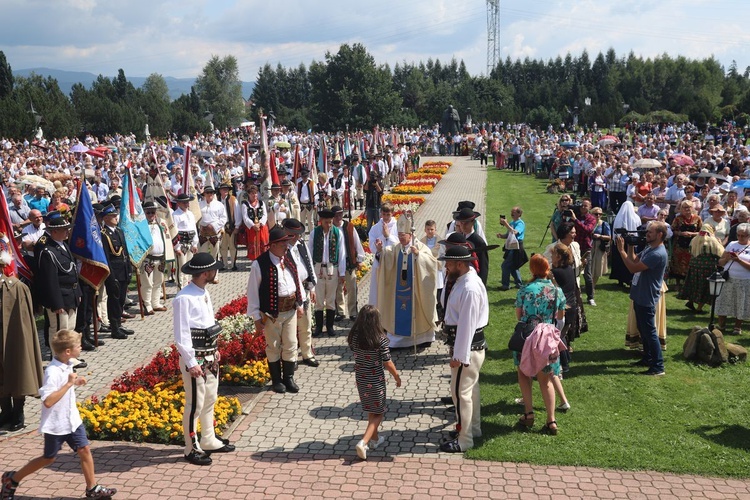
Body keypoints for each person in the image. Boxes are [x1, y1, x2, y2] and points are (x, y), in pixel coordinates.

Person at [0, 330, 117, 499]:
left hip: (72, 420)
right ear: (67, 351)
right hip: (57, 425)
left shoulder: (68, 362)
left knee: (84, 449)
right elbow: (47, 400)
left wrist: (75, 382)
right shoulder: (52, 372)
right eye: (78, 346)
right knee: (49, 458)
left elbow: (63, 386)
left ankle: (92, 488)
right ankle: (13, 479)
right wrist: (69, 384)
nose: (81, 347)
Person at [173, 253, 236, 466]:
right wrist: (191, 362)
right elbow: (181, 335)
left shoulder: (203, 292)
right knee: (195, 404)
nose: (215, 272)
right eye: (213, 269)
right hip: (196, 359)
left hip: (210, 354)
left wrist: (215, 348)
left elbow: (207, 323)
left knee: (210, 398)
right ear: (205, 273)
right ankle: (191, 447)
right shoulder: (184, 297)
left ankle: (208, 438)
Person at [437, 245, 488, 452]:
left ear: (460, 264)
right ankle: (472, 429)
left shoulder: (469, 287)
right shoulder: (465, 279)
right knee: (470, 392)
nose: (446, 266)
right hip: (469, 347)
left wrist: (459, 356)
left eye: (448, 262)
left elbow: (467, 324)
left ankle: (464, 439)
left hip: (467, 348)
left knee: (460, 394)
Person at [247, 227, 305, 394]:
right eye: (282, 243)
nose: (286, 246)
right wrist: (256, 317)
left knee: (291, 343)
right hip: (271, 313)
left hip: (290, 310)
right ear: (272, 245)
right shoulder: (259, 264)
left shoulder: (288, 258)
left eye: (287, 242)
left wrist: (300, 303)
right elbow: (252, 292)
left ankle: (288, 378)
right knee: (273, 346)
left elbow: (296, 280)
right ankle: (276, 380)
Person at [514, 254, 566, 435]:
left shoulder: (525, 289)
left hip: (528, 336)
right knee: (547, 379)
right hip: (548, 338)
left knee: (523, 372)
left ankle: (528, 413)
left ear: (532, 270)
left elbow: (519, 315)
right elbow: (560, 318)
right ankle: (551, 420)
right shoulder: (557, 291)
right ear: (547, 270)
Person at [375, 215, 438, 349]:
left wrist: (418, 256)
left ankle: (423, 339)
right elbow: (386, 255)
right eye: (399, 235)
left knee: (418, 313)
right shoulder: (395, 248)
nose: (401, 238)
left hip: (416, 290)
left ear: (410, 235)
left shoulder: (420, 247)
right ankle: (398, 341)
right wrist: (380, 251)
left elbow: (432, 263)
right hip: (399, 291)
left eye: (403, 235)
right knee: (398, 312)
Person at [348, 305, 401, 461]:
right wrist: (397, 376)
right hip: (375, 379)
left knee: (371, 408)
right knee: (379, 412)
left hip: (361, 378)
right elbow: (387, 362)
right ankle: (363, 442)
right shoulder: (380, 339)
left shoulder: (355, 336)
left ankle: (375, 440)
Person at [616, 221, 669, 376]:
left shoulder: (657, 254)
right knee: (643, 330)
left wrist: (621, 251)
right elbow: (634, 259)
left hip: (647, 296)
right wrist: (630, 245)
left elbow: (632, 268)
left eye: (650, 232)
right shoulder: (649, 248)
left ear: (659, 235)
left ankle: (658, 366)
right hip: (640, 295)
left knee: (649, 332)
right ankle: (648, 358)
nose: (646, 234)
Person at [0, 244, 43, 434]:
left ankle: (18, 412)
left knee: (17, 367)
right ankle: (6, 412)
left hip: (12, 338)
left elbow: (25, 325)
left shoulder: (17, 288)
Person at [34, 211, 84, 350]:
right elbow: (50, 280)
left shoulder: (63, 245)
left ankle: (68, 357)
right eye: (64, 230)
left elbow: (73, 270)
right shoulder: (48, 251)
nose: (67, 232)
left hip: (71, 294)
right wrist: (56, 303)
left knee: (70, 328)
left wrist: (78, 292)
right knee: (59, 330)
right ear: (54, 231)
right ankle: (57, 358)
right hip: (59, 297)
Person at [282, 218, 318, 367]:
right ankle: (292, 358)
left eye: (298, 234)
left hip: (305, 288)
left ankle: (307, 354)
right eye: (293, 234)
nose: (296, 237)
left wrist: (313, 287)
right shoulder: (282, 248)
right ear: (286, 232)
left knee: (306, 324)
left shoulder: (301, 245)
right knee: (290, 327)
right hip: (291, 292)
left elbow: (309, 263)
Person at [307, 208, 346, 337]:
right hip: (318, 267)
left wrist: (342, 272)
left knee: (330, 298)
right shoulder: (314, 233)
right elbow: (309, 252)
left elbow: (341, 253)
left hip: (332, 268)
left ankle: (329, 326)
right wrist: (309, 271)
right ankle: (318, 326)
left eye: (330, 222)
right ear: (321, 221)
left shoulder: (337, 233)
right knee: (319, 299)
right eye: (326, 222)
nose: (329, 225)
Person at [100, 205, 133, 341]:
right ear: (106, 218)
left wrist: (129, 269)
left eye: (116, 215)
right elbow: (107, 258)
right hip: (114, 272)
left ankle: (119, 324)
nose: (116, 218)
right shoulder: (104, 234)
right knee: (114, 300)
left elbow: (124, 251)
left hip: (123, 270)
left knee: (120, 300)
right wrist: (111, 277)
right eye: (113, 216)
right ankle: (114, 327)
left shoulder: (119, 231)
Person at [677, 224, 724, 313]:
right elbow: (720, 253)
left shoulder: (694, 239)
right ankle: (699, 308)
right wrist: (719, 243)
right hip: (707, 267)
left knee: (694, 284)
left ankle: (691, 301)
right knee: (704, 286)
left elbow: (690, 251)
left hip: (694, 265)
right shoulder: (712, 240)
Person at [716, 223, 750, 336]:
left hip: (744, 280)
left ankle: (737, 326)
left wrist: (738, 260)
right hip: (728, 278)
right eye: (738, 235)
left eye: (743, 236)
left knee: (741, 303)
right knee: (723, 301)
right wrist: (727, 258)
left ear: (748, 236)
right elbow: (720, 262)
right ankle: (721, 325)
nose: (740, 237)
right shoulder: (731, 244)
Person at [333, 205, 365, 322]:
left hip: (349, 262)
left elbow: (357, 242)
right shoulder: (330, 229)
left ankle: (352, 312)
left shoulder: (349, 226)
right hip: (336, 263)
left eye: (340, 214)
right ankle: (340, 312)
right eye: (336, 215)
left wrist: (360, 259)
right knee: (338, 288)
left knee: (352, 287)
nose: (339, 217)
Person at [139, 201, 168, 315]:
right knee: (147, 283)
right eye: (148, 212)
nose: (151, 214)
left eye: (153, 212)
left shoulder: (160, 224)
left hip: (160, 258)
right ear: (144, 213)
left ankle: (155, 303)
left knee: (158, 282)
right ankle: (147, 304)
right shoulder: (141, 226)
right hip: (148, 259)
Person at [367, 203, 399, 304]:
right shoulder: (375, 228)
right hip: (380, 261)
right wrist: (379, 244)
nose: (385, 217)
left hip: (394, 261)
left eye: (388, 215)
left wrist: (388, 236)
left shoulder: (398, 226)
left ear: (392, 214)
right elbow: (371, 246)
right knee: (378, 287)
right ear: (381, 213)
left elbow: (400, 244)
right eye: (384, 214)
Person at [671, 200, 702, 288]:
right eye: (685, 207)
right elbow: (672, 230)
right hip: (679, 245)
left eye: (689, 207)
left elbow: (701, 232)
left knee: (690, 263)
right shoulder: (678, 218)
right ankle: (677, 283)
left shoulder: (697, 218)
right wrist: (681, 233)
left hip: (692, 245)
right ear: (682, 209)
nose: (687, 209)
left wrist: (691, 234)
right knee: (678, 263)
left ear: (692, 208)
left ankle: (687, 283)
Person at [610, 201, 641, 287]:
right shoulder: (636, 218)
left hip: (620, 241)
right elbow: (638, 228)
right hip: (631, 242)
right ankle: (629, 278)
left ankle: (620, 279)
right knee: (629, 259)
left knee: (620, 260)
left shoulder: (617, 218)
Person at [172, 193, 199, 290]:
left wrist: (195, 244)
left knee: (188, 266)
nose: (186, 204)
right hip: (181, 243)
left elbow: (194, 229)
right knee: (181, 267)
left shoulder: (190, 214)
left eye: (187, 202)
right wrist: (177, 247)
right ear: (178, 203)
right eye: (184, 202)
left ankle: (187, 286)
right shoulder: (175, 215)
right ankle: (180, 288)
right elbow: (174, 232)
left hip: (190, 243)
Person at [497, 207, 525, 290]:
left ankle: (505, 285)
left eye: (514, 212)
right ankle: (519, 284)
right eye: (511, 212)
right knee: (513, 266)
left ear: (519, 214)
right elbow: (508, 234)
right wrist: (501, 236)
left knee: (505, 266)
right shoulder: (512, 222)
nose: (512, 213)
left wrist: (506, 224)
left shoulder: (520, 223)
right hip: (511, 246)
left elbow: (515, 232)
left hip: (516, 247)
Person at [588, 206, 611, 305]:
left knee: (597, 267)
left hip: (598, 246)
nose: (598, 216)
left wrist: (600, 236)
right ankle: (590, 285)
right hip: (589, 246)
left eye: (600, 214)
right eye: (596, 214)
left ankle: (592, 287)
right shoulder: (589, 223)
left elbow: (609, 237)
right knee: (588, 267)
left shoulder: (604, 224)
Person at [197, 185, 226, 259]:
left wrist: (213, 226)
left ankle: (214, 271)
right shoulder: (199, 205)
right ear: (204, 194)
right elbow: (196, 218)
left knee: (214, 256)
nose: (210, 194)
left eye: (211, 193)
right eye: (207, 192)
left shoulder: (219, 205)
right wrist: (200, 227)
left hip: (214, 234)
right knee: (202, 256)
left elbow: (223, 218)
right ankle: (204, 270)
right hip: (203, 235)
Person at [241, 184, 269, 261]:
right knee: (253, 245)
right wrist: (253, 225)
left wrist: (260, 224)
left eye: (256, 193)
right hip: (252, 229)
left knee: (263, 244)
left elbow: (265, 215)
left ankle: (264, 260)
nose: (254, 195)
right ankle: (255, 261)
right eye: (252, 193)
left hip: (262, 228)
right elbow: (245, 217)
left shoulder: (261, 203)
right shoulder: (245, 204)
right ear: (249, 194)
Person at [217, 183, 239, 271]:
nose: (225, 191)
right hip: (220, 226)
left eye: (226, 189)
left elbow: (237, 213)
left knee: (232, 246)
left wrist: (237, 226)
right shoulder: (217, 200)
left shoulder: (233, 199)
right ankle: (224, 264)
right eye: (223, 189)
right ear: (220, 190)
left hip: (231, 225)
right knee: (223, 246)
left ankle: (233, 264)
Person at [296, 168, 317, 234]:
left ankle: (312, 234)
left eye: (305, 176)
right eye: (303, 177)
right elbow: (296, 194)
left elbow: (315, 194)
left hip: (309, 204)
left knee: (310, 221)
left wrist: (315, 204)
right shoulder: (299, 184)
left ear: (307, 176)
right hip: (301, 205)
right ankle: (302, 235)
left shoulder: (312, 184)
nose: (304, 178)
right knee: (302, 221)